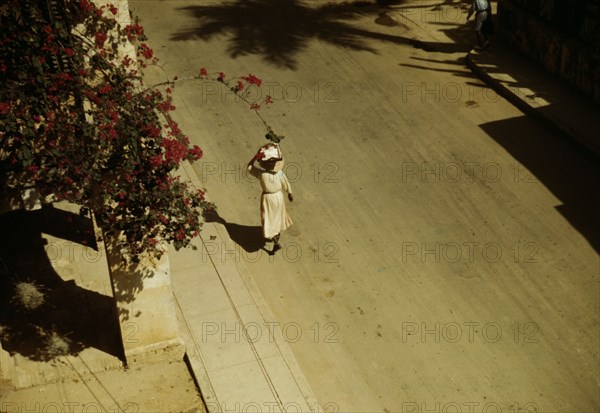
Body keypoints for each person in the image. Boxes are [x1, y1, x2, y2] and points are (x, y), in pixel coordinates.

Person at [247, 154, 294, 254]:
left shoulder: (261, 173)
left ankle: (276, 243)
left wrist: (254, 158)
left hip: (268, 199)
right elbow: (286, 182)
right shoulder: (279, 173)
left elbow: (249, 167)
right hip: (279, 197)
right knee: (278, 216)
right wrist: (289, 192)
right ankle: (276, 234)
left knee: (268, 219)